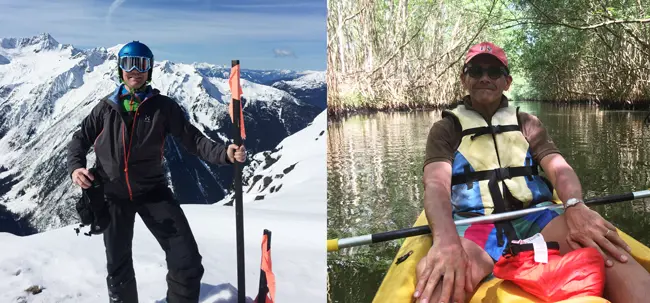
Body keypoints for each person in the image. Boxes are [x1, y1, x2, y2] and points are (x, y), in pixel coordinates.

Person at [413, 41, 650, 303]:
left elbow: (559, 169)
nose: (484, 78)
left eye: (494, 72)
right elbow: (435, 186)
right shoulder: (446, 129)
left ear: (507, 81)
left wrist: (574, 204)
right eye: (476, 71)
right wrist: (446, 239)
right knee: (440, 283)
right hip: (476, 227)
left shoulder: (527, 123)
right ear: (464, 79)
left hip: (537, 217)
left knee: (608, 250)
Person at [66, 41, 246, 303]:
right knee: (118, 267)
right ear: (120, 68)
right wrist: (76, 167)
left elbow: (193, 140)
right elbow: (79, 139)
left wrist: (225, 154)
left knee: (187, 261)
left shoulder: (163, 107)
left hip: (152, 191)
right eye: (129, 63)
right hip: (112, 194)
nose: (135, 71)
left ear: (150, 70)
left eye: (142, 64)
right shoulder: (104, 109)